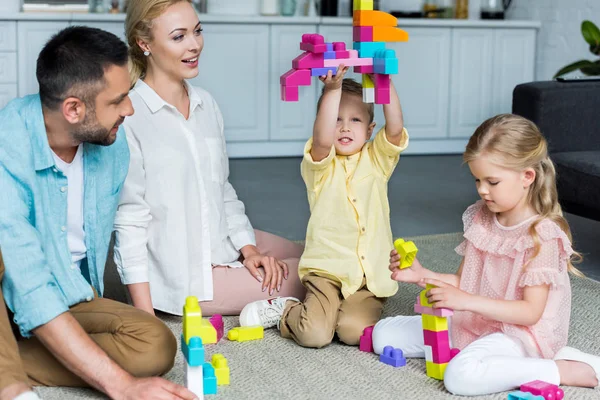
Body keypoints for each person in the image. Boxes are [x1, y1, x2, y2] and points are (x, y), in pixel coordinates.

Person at [0, 27, 196, 400]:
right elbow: (25, 279)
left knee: (155, 344)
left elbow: (128, 219)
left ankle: (10, 353)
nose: (130, 109)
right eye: (119, 100)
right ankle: (11, 385)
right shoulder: (7, 145)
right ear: (74, 109)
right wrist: (120, 384)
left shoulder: (110, 140)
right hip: (13, 284)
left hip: (68, 290)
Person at [374, 114, 600, 396]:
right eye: (477, 180)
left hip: (517, 333)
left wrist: (466, 302)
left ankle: (557, 368)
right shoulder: (481, 217)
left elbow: (530, 313)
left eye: (492, 182)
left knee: (460, 377)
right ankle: (489, 355)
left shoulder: (542, 235)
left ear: (527, 176)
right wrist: (423, 275)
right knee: (383, 335)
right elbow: (463, 282)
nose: (482, 190)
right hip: (477, 319)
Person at [114, 0, 305, 317]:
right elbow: (130, 218)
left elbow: (221, 187)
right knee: (321, 273)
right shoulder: (130, 117)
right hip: (191, 278)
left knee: (320, 255)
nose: (194, 45)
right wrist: (145, 316)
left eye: (197, 31)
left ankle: (267, 286)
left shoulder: (206, 103)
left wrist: (249, 250)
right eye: (179, 37)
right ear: (144, 43)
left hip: (219, 238)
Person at [240, 67, 413, 349]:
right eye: (336, 120)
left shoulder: (378, 160)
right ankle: (286, 310)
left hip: (368, 279)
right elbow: (322, 140)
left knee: (352, 332)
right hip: (327, 271)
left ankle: (341, 312)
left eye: (355, 120)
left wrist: (385, 81)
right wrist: (333, 89)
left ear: (370, 130)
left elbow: (394, 129)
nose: (344, 127)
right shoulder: (319, 165)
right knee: (314, 335)